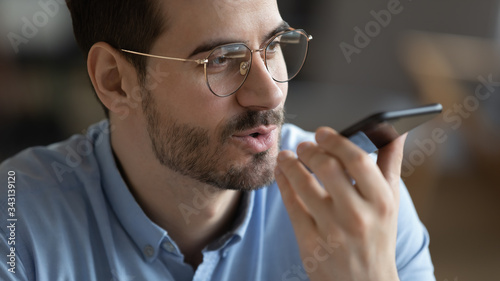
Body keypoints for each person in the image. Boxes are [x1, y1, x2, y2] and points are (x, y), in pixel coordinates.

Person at [0, 0, 435, 280]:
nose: (271, 92)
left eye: (274, 45)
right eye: (221, 60)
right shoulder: (16, 215)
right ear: (115, 81)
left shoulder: (360, 208)